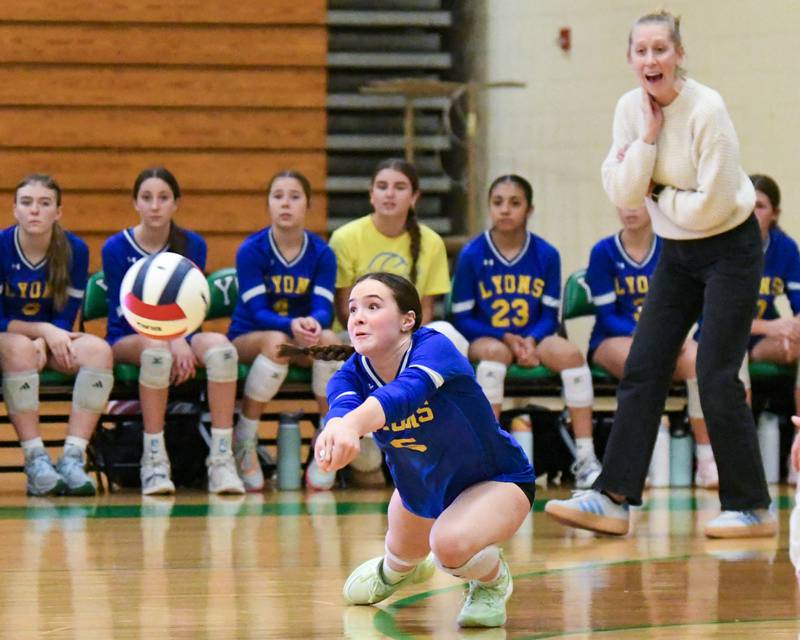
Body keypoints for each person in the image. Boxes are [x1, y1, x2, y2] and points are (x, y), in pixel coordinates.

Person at [545, 10, 775, 538]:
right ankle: (614, 497)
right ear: (630, 59)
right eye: (641, 51)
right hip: (677, 252)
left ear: (679, 55)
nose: (651, 59)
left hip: (731, 249)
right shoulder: (630, 110)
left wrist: (659, 193)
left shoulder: (707, 109)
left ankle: (752, 507)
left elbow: (714, 205)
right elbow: (623, 192)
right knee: (643, 367)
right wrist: (647, 141)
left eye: (660, 49)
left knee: (715, 374)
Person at [282, 272, 534, 628]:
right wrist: (336, 429)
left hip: (496, 480)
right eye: (353, 309)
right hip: (421, 486)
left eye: (373, 306)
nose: (358, 317)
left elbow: (403, 394)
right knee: (402, 555)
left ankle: (491, 580)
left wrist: (351, 424)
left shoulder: (434, 348)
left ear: (407, 320)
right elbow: (341, 408)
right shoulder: (348, 375)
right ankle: (398, 570)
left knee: (448, 546)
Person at [102, 167, 244, 496]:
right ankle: (154, 461)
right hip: (128, 336)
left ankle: (221, 460)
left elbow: (195, 303)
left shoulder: (192, 244)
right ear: (135, 203)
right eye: (147, 197)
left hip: (183, 332)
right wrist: (171, 339)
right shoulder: (115, 248)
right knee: (157, 353)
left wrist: (179, 338)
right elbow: (126, 309)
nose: (155, 206)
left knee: (223, 352)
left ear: (175, 204)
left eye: (163, 198)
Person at [450, 174, 599, 485]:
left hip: (535, 336)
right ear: (489, 207)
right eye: (498, 202)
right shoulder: (472, 254)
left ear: (529, 209)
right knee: (494, 354)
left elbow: (550, 315)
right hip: (488, 337)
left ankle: (586, 458)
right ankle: (488, 457)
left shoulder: (546, 254)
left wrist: (531, 340)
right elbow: (462, 318)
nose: (505, 209)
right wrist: (504, 337)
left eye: (514, 203)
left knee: (572, 356)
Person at [587, 203, 718, 487]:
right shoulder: (603, 252)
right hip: (614, 340)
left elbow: (692, 303)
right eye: (624, 203)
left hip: (665, 339)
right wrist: (654, 337)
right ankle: (631, 467)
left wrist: (673, 335)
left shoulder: (673, 248)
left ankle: (706, 460)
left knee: (699, 361)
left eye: (638, 202)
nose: (630, 210)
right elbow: (607, 316)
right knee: (641, 362)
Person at [227, 170, 340, 491]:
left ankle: (328, 436)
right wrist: (291, 325)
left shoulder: (322, 253)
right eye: (278, 196)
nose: (286, 203)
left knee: (330, 341)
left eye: (294, 196)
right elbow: (258, 312)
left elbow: (323, 307)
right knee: (278, 342)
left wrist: (314, 322)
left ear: (308, 205)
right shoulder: (252, 250)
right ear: (268, 204)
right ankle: (244, 438)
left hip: (301, 338)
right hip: (251, 336)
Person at [0, 174, 113, 496]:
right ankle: (35, 460)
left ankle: (73, 458)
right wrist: (42, 331)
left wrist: (49, 336)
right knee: (20, 349)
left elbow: (66, 313)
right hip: (10, 338)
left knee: (100, 352)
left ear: (58, 212)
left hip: (49, 338)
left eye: (44, 203)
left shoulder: (74, 249)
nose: (35, 210)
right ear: (15, 210)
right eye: (26, 203)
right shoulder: (2, 246)